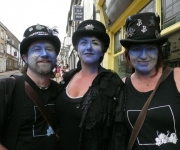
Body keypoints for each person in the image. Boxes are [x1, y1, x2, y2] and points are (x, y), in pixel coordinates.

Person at [56, 20, 127, 150]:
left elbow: (118, 132)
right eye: (83, 42)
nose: (88, 47)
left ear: (102, 50)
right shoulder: (68, 77)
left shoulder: (112, 83)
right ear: (77, 49)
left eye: (95, 43)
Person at [120, 12, 180, 149]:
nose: (143, 56)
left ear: (159, 51)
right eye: (136, 49)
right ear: (127, 54)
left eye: (150, 48)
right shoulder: (121, 86)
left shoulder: (177, 78)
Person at [0, 24, 61, 150]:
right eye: (37, 49)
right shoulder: (7, 89)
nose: (44, 54)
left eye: (49, 49)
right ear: (25, 58)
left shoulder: (62, 92)